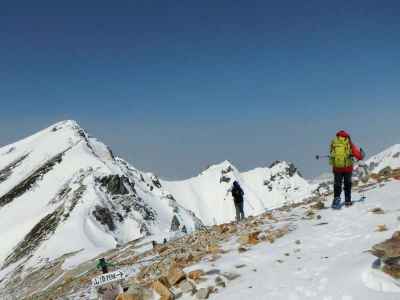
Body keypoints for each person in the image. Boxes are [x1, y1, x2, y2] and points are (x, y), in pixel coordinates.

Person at [329, 130, 363, 208]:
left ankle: (336, 200)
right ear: (346, 135)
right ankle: (347, 201)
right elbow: (356, 153)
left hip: (337, 167)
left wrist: (333, 163)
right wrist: (360, 156)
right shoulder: (348, 142)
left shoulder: (334, 142)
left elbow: (331, 154)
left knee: (337, 184)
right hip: (348, 167)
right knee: (347, 184)